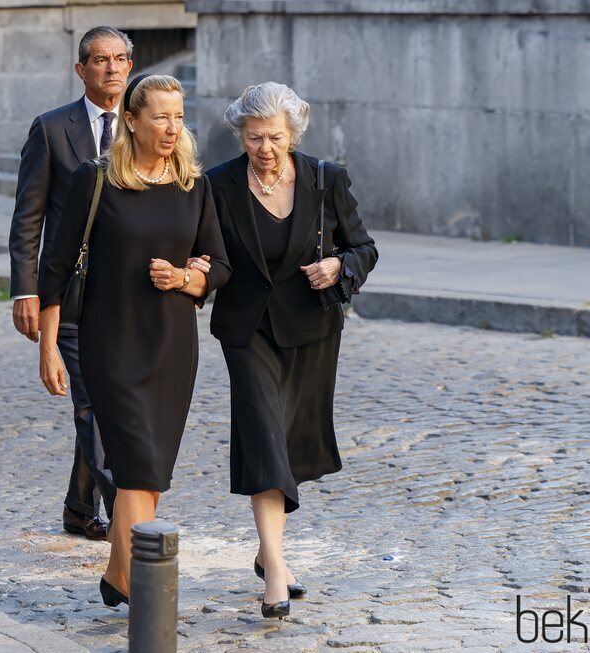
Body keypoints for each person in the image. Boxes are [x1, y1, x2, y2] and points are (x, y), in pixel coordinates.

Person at [38, 74, 230, 604]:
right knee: (137, 464)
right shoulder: (96, 179)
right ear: (132, 120)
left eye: (179, 116)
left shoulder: (196, 184)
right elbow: (55, 268)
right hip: (110, 344)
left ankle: (118, 575)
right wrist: (49, 347)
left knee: (149, 477)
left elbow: (220, 264)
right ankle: (145, 588)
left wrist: (189, 278)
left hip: (172, 346)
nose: (172, 128)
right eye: (161, 117)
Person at [198, 82, 377, 619]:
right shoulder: (218, 185)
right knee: (263, 437)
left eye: (274, 137)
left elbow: (363, 247)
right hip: (246, 331)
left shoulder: (326, 180)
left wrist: (339, 267)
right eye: (254, 138)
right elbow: (204, 253)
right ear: (241, 135)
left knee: (290, 446)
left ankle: (266, 547)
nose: (265, 148)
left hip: (311, 331)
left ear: (292, 133)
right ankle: (275, 570)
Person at [8, 26, 134, 540]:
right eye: (101, 60)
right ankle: (128, 517)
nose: (112, 68)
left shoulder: (145, 124)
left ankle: (79, 506)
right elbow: (28, 217)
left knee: (113, 398)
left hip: (130, 294)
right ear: (80, 69)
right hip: (73, 295)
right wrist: (26, 289)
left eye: (121, 59)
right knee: (93, 404)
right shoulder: (52, 128)